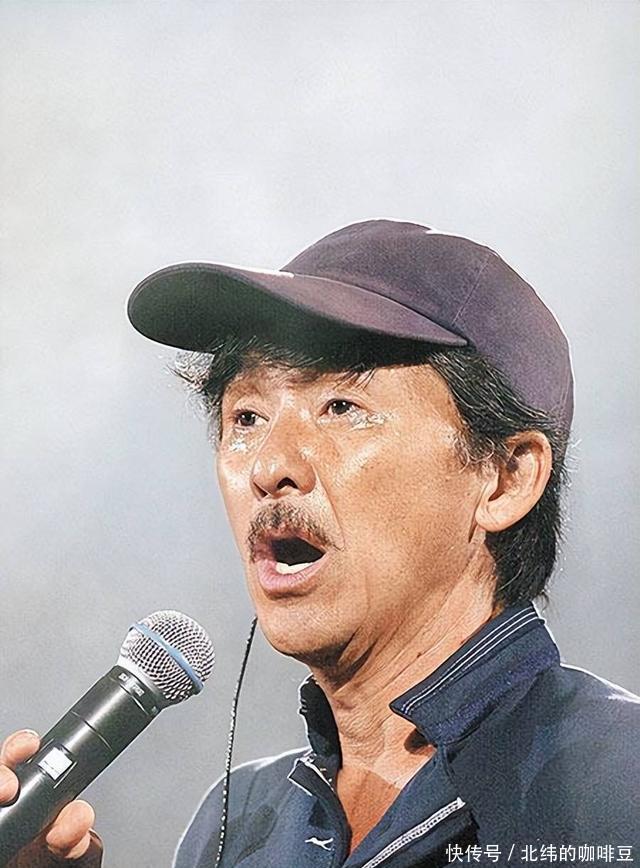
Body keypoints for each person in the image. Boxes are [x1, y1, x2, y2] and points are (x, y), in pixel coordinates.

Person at [1, 220, 638, 866]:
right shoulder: (237, 824)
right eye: (246, 417)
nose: (268, 465)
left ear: (505, 478)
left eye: (341, 406)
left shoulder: (621, 782)